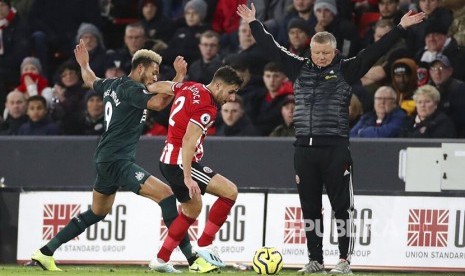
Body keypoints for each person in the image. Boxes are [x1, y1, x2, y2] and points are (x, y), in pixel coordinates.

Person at [237, 3, 425, 274]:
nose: (321, 57)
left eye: (325, 53)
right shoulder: (297, 67)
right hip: (303, 149)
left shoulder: (347, 69)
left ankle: (344, 261)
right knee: (310, 209)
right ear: (310, 51)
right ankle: (315, 260)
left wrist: (400, 28)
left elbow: (375, 51)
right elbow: (272, 47)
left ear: (334, 51)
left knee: (342, 209)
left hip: (335, 149)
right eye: (316, 52)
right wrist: (255, 23)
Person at [30, 39, 202, 273]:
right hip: (118, 160)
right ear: (140, 68)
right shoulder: (133, 89)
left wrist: (84, 65)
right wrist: (179, 78)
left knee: (97, 212)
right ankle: (193, 259)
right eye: (153, 73)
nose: (154, 78)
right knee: (167, 195)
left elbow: (90, 80)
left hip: (105, 158)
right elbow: (160, 103)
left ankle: (45, 252)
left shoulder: (112, 84)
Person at [150, 65, 243, 273]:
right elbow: (189, 140)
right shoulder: (207, 107)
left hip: (168, 159)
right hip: (180, 162)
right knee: (230, 191)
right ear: (218, 85)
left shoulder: (191, 87)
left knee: (192, 209)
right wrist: (188, 177)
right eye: (231, 91)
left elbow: (166, 86)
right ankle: (205, 244)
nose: (232, 98)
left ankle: (161, 258)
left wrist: (149, 86)